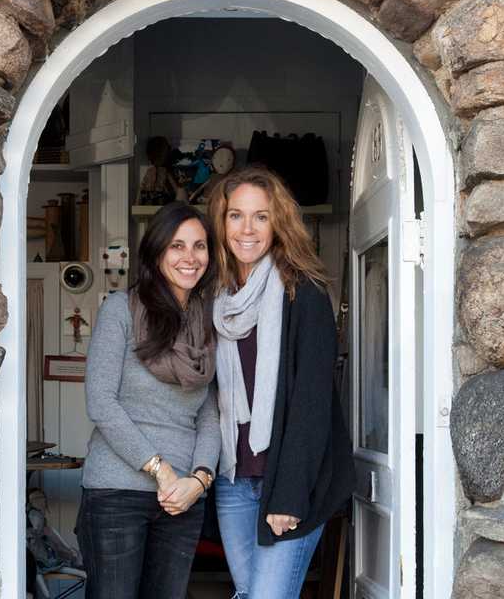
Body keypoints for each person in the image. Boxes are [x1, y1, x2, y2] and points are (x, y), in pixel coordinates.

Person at [208, 166, 355, 599]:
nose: (247, 229)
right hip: (233, 480)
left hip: (292, 480)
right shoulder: (215, 298)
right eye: (236, 215)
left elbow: (312, 402)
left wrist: (288, 496)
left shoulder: (303, 294)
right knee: (250, 593)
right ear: (221, 222)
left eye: (261, 216)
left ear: (279, 223)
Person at [77, 202, 221, 599]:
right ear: (157, 252)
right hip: (116, 494)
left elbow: (210, 414)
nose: (190, 258)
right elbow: (101, 402)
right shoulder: (120, 310)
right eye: (177, 246)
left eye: (199, 246)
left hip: (183, 500)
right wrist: (162, 470)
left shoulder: (208, 322)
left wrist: (199, 479)